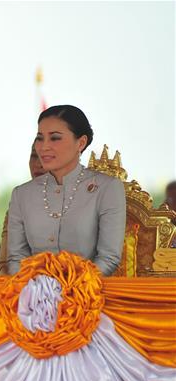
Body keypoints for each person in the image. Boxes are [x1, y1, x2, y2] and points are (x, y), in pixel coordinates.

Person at [7, 105, 126, 276]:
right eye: (40, 138)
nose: (44, 147)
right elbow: (16, 258)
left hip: (88, 289)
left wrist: (72, 287)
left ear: (81, 143)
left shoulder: (107, 188)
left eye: (55, 138)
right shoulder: (22, 194)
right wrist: (35, 287)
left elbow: (108, 258)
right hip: (33, 290)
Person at [0, 146, 48, 273]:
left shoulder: (85, 200)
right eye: (34, 156)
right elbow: (4, 263)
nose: (38, 164)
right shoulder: (19, 203)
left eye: (46, 157)